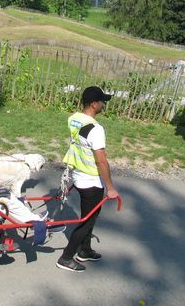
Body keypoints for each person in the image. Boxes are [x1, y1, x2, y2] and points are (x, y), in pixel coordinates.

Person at [56, 86, 119, 273]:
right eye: (101, 101)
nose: (103, 104)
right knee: (87, 221)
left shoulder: (74, 119)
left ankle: (85, 250)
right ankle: (66, 257)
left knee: (90, 215)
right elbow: (101, 160)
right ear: (94, 104)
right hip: (90, 178)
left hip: (78, 173)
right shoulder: (96, 129)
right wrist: (110, 187)